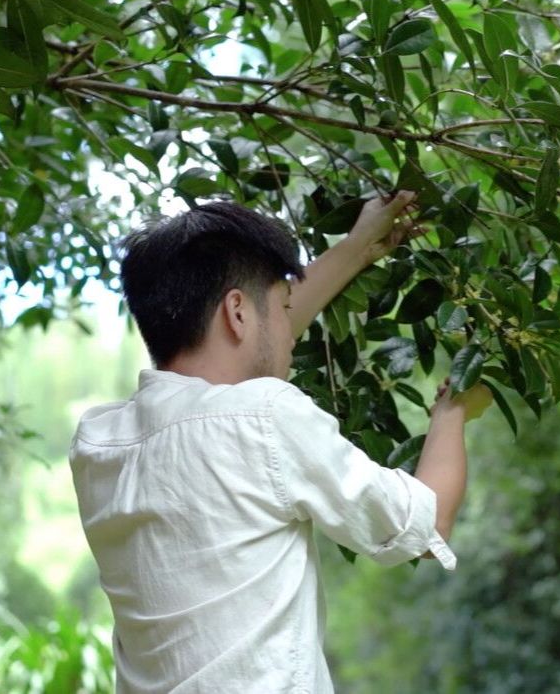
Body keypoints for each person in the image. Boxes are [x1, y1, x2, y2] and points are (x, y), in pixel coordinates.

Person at [68, 190, 493, 693]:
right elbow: (427, 520)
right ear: (238, 313)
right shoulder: (265, 417)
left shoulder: (99, 444)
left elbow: (250, 346)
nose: (292, 334)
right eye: (283, 308)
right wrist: (451, 412)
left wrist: (357, 246)